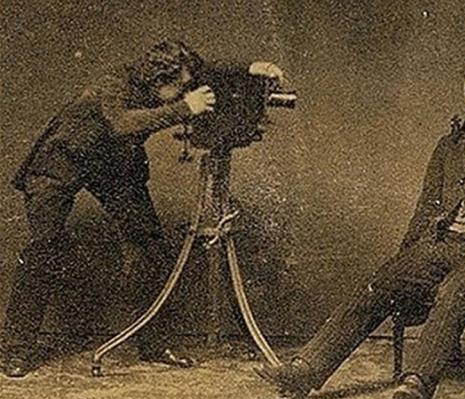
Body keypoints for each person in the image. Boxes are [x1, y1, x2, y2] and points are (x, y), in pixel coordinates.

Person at [256, 51, 465, 399]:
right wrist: (405, 261)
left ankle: (417, 385)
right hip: (443, 246)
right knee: (380, 281)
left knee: (455, 291)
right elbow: (426, 209)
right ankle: (306, 370)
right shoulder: (448, 145)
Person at [2, 39, 282, 378]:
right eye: (180, 88)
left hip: (113, 166)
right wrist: (185, 108)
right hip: (61, 162)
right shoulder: (114, 83)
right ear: (158, 80)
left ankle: (154, 343)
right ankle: (15, 349)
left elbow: (207, 70)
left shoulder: (169, 79)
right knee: (45, 249)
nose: (186, 92)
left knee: (150, 247)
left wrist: (251, 67)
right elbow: (122, 123)